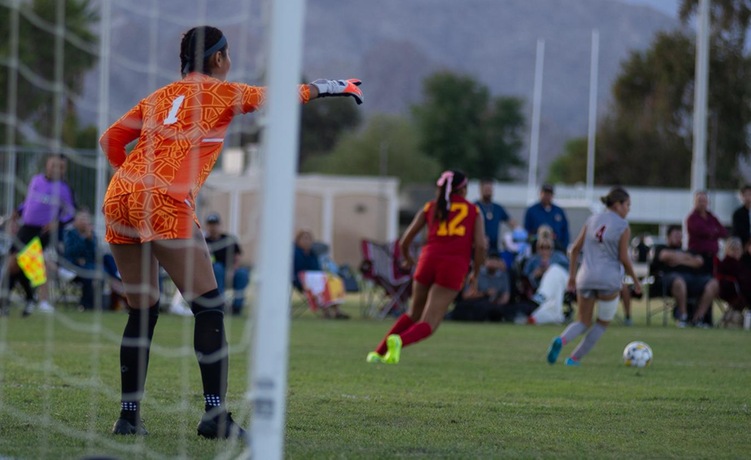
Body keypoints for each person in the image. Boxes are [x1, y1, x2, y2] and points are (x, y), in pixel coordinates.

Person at [98, 25, 363, 439]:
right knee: (209, 307)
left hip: (120, 197)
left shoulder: (162, 95)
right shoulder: (219, 91)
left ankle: (128, 417)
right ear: (219, 59)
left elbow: (110, 138)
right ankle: (214, 416)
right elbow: (276, 96)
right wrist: (331, 87)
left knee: (143, 309)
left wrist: (130, 179)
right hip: (165, 200)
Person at [366, 170, 485, 364]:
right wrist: (476, 273)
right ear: (463, 189)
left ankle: (378, 353)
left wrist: (409, 259)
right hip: (453, 266)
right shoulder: (473, 210)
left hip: (427, 260)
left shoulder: (430, 207)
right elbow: (481, 245)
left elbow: (405, 241)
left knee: (413, 313)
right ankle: (399, 341)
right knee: (429, 323)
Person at [546, 187, 642, 366]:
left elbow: (574, 249)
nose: (628, 209)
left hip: (585, 278)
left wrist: (572, 276)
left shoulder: (591, 220)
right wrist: (636, 281)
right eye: (627, 205)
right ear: (618, 205)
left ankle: (561, 340)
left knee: (582, 321)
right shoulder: (623, 226)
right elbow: (623, 258)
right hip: (608, 280)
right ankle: (573, 359)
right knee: (601, 324)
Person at [0, 154, 77, 316]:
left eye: (61, 167)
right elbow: (28, 202)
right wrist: (18, 211)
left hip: (44, 231)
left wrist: (58, 222)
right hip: (26, 227)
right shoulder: (36, 180)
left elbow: (71, 213)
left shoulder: (64, 188)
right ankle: (29, 299)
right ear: (47, 165)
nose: (57, 169)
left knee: (16, 260)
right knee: (15, 264)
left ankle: (7, 303)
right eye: (54, 165)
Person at [650, 225, 719, 328]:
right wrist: (688, 259)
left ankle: (698, 318)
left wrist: (678, 259)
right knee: (678, 281)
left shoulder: (688, 251)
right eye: (676, 235)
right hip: (669, 280)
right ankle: (683, 316)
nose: (679, 238)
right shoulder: (661, 248)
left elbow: (699, 261)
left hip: (692, 279)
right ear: (668, 237)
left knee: (713, 283)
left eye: (680, 236)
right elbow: (665, 256)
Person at [63, 209, 123, 311]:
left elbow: (95, 253)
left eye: (86, 219)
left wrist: (90, 240)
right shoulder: (70, 233)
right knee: (90, 275)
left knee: (103, 269)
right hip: (75, 266)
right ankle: (86, 305)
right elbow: (71, 252)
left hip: (91, 265)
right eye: (82, 218)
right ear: (75, 221)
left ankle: (101, 303)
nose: (84, 221)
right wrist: (84, 238)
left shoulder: (92, 234)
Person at [292, 228, 349, 319]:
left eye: (309, 239)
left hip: (316, 278)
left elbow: (318, 269)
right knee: (321, 283)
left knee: (334, 280)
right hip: (302, 280)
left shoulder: (312, 254)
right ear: (298, 240)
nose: (307, 241)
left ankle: (336, 310)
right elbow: (294, 271)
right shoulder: (295, 253)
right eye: (304, 239)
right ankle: (326, 311)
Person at [204, 213, 250, 316]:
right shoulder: (204, 241)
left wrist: (233, 269)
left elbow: (237, 256)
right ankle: (219, 304)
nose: (213, 227)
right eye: (210, 224)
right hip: (213, 274)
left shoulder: (228, 239)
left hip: (230, 271)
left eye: (215, 224)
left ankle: (237, 307)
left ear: (219, 225)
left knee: (242, 273)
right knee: (217, 268)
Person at [449, 254, 511, 322]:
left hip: (495, 305)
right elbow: (466, 295)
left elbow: (505, 297)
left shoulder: (503, 276)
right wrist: (485, 294)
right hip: (476, 303)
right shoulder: (476, 273)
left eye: (496, 260)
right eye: (490, 259)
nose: (493, 262)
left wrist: (497, 303)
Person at [523, 236, 570, 325]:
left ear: (552, 248)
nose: (545, 251)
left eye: (548, 247)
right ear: (537, 249)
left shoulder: (559, 257)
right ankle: (540, 317)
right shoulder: (533, 260)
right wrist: (534, 275)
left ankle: (540, 298)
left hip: (561, 282)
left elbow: (567, 271)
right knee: (553, 302)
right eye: (542, 247)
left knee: (554, 269)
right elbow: (525, 278)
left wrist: (548, 270)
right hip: (543, 288)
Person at [475, 178, 518, 255]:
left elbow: (511, 223)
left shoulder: (497, 208)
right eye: (486, 189)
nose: (488, 192)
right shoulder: (475, 207)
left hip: (494, 249)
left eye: (490, 189)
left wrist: (518, 231)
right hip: (478, 248)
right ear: (480, 189)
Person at [524, 184, 570, 251]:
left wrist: (564, 247)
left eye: (549, 194)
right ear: (540, 193)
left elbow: (565, 232)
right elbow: (527, 232)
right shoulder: (532, 210)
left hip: (556, 248)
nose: (547, 196)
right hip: (537, 247)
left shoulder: (559, 211)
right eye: (545, 193)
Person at [686, 190, 727, 264]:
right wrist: (714, 231)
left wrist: (712, 232)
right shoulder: (692, 218)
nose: (702, 203)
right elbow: (702, 231)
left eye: (704, 201)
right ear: (694, 202)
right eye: (699, 201)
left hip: (712, 256)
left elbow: (723, 231)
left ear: (707, 202)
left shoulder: (712, 217)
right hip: (698, 256)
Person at [716, 237, 751, 315]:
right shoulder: (728, 263)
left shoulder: (740, 263)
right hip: (734, 293)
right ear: (727, 250)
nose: (736, 252)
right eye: (733, 249)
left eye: (738, 249)